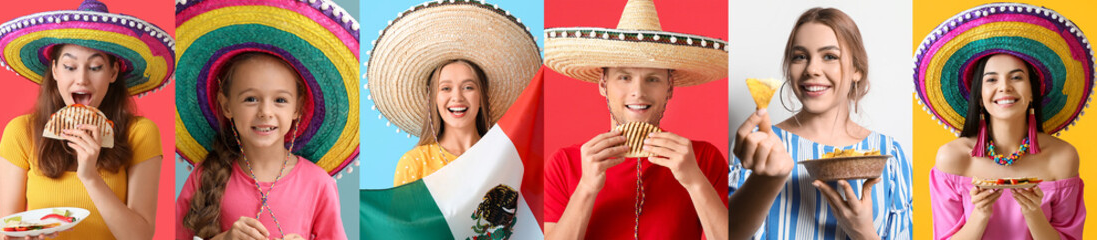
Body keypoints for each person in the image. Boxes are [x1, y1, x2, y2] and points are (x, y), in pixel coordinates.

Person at [542, 0, 729, 239]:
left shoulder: (702, 158)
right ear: (603, 84)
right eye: (624, 77)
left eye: (653, 79)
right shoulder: (565, 164)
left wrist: (694, 181)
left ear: (669, 88)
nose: (638, 92)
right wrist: (586, 188)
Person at [173, 0, 359, 239]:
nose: (265, 112)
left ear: (297, 108)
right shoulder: (203, 175)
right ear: (227, 105)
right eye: (251, 99)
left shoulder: (319, 184)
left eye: (280, 100)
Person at [0, 0, 172, 239]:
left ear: (113, 72)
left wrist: (89, 176)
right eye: (69, 66)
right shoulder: (20, 132)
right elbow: (8, 230)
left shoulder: (140, 133)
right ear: (55, 70)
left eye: (96, 67)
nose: (82, 80)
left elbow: (140, 236)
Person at [729, 7, 912, 240]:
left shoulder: (890, 154)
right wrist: (766, 179)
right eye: (800, 56)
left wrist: (864, 233)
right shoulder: (758, 144)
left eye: (829, 56)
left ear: (857, 69)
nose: (812, 70)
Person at [914, 3, 1090, 239]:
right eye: (991, 80)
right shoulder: (952, 158)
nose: (1004, 87)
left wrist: (1033, 213)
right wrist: (980, 213)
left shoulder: (1063, 157)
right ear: (978, 97)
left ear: (1031, 92)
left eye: (1016, 77)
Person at [365, 3, 540, 186]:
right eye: (446, 88)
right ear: (434, 98)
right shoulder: (414, 163)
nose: (457, 97)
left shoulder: (509, 161)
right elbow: (399, 215)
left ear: (482, 97)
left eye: (468, 87)